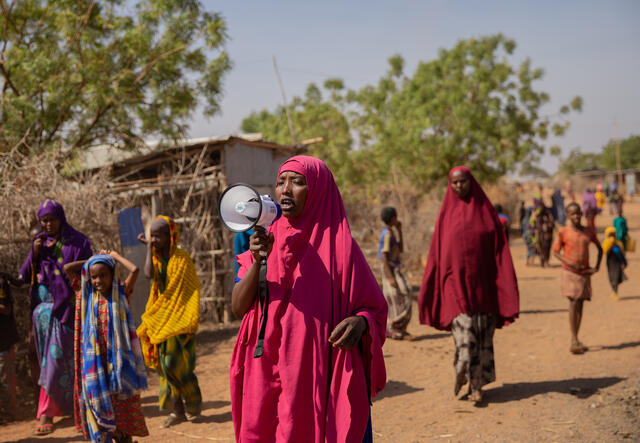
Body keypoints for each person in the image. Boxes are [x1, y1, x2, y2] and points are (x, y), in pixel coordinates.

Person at [230, 156, 387, 442]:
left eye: (297, 182)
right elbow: (239, 306)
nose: (285, 190)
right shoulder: (264, 239)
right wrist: (257, 261)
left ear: (318, 190)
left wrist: (360, 322)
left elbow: (374, 309)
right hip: (266, 367)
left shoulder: (341, 247)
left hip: (315, 368)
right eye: (281, 182)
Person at [418, 166, 519, 404]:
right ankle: (461, 371)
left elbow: (499, 253)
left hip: (483, 291)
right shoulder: (445, 216)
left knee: (482, 339)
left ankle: (477, 386)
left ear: (470, 182)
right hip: (455, 291)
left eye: (462, 182)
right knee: (464, 341)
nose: (458, 186)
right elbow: (437, 255)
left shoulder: (486, 214)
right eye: (454, 183)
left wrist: (503, 286)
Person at [19, 199, 93, 435]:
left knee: (67, 361)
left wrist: (72, 268)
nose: (48, 224)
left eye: (52, 219)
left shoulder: (78, 241)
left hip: (70, 311)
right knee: (49, 360)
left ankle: (61, 408)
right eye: (44, 220)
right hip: (44, 316)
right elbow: (24, 275)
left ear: (61, 218)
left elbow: (91, 268)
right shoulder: (40, 245)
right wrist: (35, 252)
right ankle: (49, 410)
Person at [65, 252, 148, 443]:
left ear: (112, 275)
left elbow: (134, 270)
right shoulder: (86, 296)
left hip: (118, 365)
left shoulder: (121, 293)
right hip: (96, 364)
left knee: (121, 409)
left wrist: (113, 256)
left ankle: (124, 438)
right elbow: (68, 268)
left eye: (103, 275)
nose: (98, 280)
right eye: (94, 276)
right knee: (100, 406)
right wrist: (93, 260)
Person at [137, 216, 202, 427]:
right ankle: (177, 410)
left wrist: (186, 318)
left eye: (158, 236)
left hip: (180, 319)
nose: (154, 240)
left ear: (170, 236)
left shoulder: (182, 258)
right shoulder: (155, 258)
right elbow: (148, 275)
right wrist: (148, 249)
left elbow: (188, 291)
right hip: (161, 319)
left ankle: (192, 406)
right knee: (165, 367)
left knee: (180, 365)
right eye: (152, 236)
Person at [552, 202, 602, 355]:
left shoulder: (588, 231)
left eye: (578, 213)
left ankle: (577, 338)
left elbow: (600, 248)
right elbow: (556, 252)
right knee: (573, 302)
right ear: (567, 216)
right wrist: (570, 262)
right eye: (572, 214)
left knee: (580, 304)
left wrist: (596, 267)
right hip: (570, 272)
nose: (576, 216)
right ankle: (574, 339)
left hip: (584, 273)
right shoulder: (563, 232)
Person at [379, 206, 413, 340]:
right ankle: (393, 326)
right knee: (399, 296)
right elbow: (383, 256)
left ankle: (398, 326)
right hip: (390, 269)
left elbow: (401, 249)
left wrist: (399, 230)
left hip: (395, 268)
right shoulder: (386, 235)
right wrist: (390, 277)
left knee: (401, 295)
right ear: (393, 218)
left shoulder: (391, 232)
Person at [0, 273, 20, 424]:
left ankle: (9, 413)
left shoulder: (1, 281)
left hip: (3, 341)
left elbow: (6, 309)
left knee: (5, 379)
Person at [602, 227, 627, 302]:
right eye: (610, 234)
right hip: (610, 263)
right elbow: (605, 250)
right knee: (612, 277)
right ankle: (614, 291)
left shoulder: (618, 243)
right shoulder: (606, 242)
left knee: (616, 278)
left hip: (617, 263)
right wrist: (610, 242)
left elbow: (622, 253)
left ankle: (615, 292)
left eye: (613, 234)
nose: (612, 236)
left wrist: (624, 263)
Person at [531, 198, 555, 267]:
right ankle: (542, 261)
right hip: (539, 233)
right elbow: (533, 222)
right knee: (539, 247)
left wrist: (547, 226)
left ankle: (546, 261)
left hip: (547, 234)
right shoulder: (535, 211)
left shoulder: (547, 211)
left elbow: (551, 221)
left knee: (547, 247)